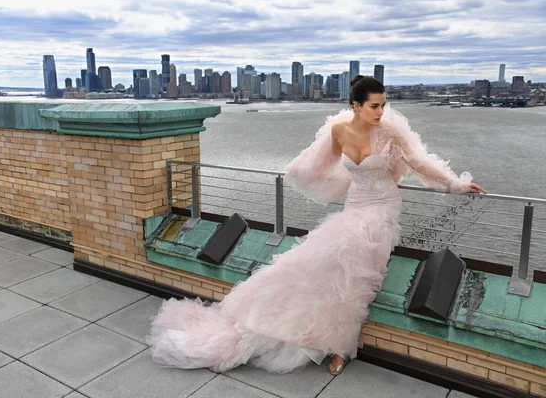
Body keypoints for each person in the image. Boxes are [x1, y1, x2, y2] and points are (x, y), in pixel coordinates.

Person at [146, 75, 486, 376]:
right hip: (355, 205)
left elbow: (420, 163)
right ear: (356, 105)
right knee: (317, 260)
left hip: (382, 210)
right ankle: (282, 322)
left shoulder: (391, 133)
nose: (381, 112)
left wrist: (455, 184)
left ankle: (340, 345)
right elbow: (308, 169)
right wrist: (339, 182)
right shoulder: (338, 130)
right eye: (374, 106)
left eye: (383, 105)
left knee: (354, 272)